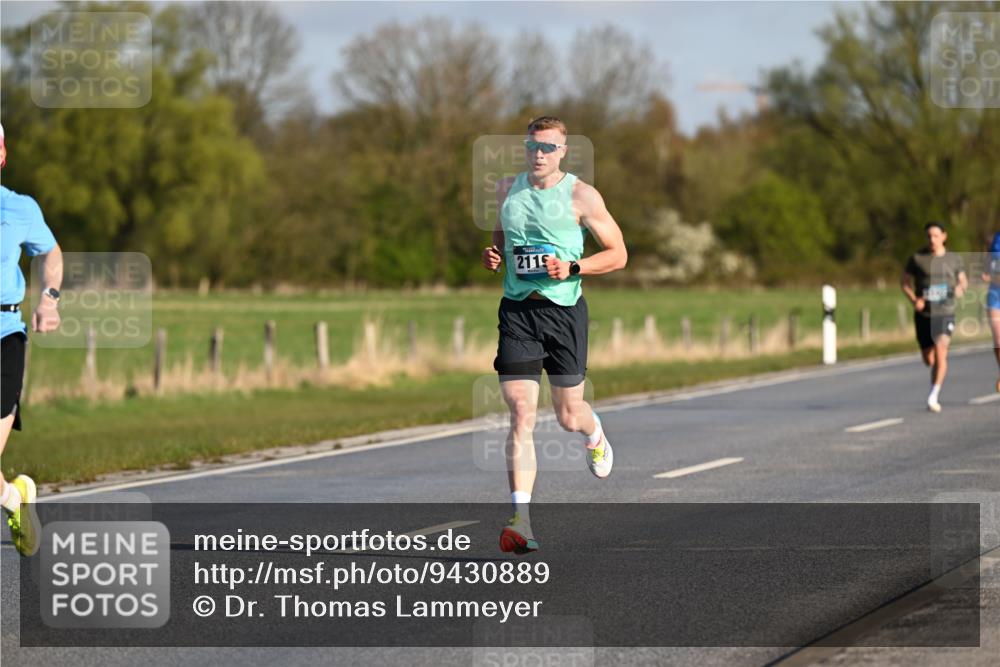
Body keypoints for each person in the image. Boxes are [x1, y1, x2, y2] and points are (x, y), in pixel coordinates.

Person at [481, 116, 627, 554]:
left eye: (547, 147)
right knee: (522, 412)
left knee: (568, 415)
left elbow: (618, 254)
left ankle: (593, 432)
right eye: (532, 146)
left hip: (563, 314)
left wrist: (574, 267)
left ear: (563, 150)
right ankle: (520, 520)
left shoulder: (582, 195)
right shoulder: (507, 189)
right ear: (524, 148)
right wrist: (494, 256)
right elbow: (503, 234)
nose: (538, 154)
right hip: (518, 312)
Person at [0, 122, 63, 556]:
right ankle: (13, 499)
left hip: (4, 335)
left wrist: (49, 299)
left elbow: (51, 252)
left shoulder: (19, 208)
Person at [900, 222, 967, 412]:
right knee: (929, 359)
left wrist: (961, 288)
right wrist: (914, 300)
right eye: (929, 236)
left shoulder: (954, 259)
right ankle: (934, 382)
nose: (932, 239)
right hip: (924, 313)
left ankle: (934, 395)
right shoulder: (917, 259)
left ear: (944, 236)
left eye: (936, 235)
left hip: (945, 312)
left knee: (941, 349)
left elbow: (962, 280)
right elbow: (904, 282)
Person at [983, 230, 1000, 392]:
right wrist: (986, 273)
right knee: (998, 339)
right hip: (996, 295)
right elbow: (989, 262)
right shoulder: (994, 238)